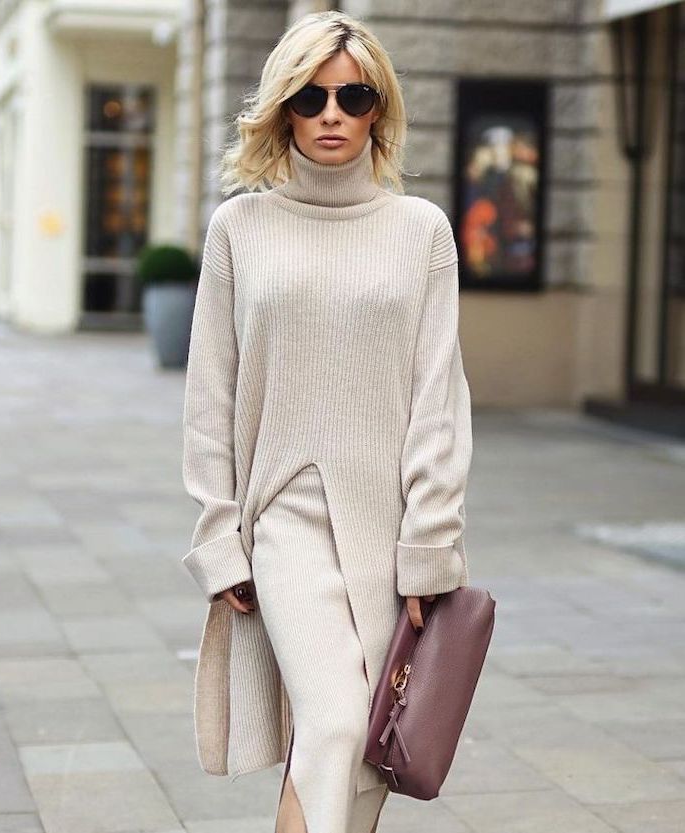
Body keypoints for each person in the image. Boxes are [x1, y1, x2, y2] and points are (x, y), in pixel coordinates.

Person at [181, 9, 473, 833]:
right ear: (283, 106)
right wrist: (218, 536)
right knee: (341, 720)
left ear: (380, 106)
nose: (332, 113)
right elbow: (210, 395)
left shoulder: (421, 232)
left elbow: (438, 401)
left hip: (389, 526)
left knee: (369, 751)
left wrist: (430, 546)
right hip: (284, 518)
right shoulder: (239, 227)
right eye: (310, 96)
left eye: (353, 94)